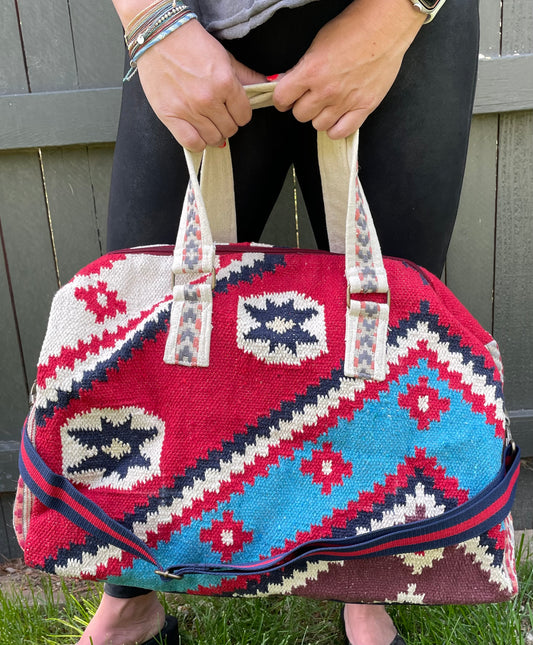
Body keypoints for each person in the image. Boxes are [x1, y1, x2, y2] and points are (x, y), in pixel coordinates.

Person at [77, 0, 480, 643]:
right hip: (193, 28)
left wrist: (397, 16)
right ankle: (132, 601)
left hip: (403, 23)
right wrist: (150, 20)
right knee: (147, 333)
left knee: (388, 335)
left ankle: (363, 594)